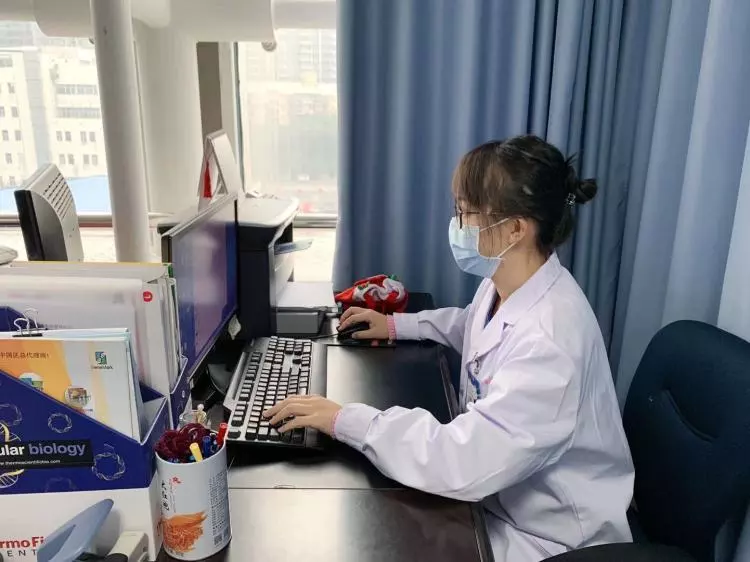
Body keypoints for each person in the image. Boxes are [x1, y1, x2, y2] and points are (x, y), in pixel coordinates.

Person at [264, 135, 634, 561]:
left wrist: (346, 420)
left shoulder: (551, 341)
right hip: (501, 497)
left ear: (516, 229)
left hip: (549, 537)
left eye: (466, 212)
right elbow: (474, 327)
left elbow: (460, 461)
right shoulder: (512, 283)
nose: (458, 225)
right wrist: (396, 324)